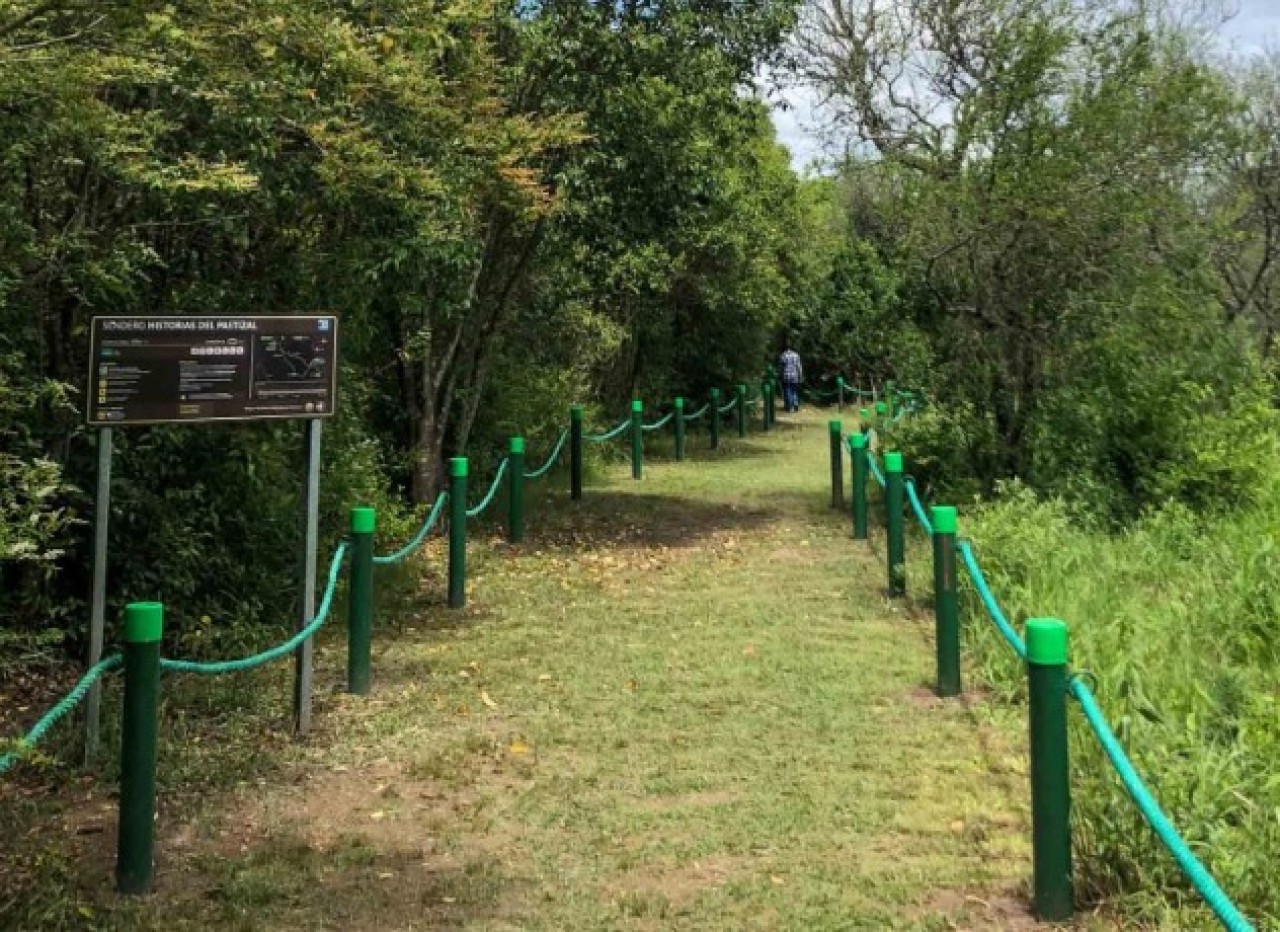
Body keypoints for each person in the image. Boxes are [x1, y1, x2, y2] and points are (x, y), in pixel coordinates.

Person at [778, 344, 803, 413]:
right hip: (795, 376)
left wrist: (780, 375)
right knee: (794, 390)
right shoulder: (796, 355)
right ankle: (795, 404)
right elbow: (799, 367)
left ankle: (790, 406)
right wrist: (800, 376)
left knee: (788, 391)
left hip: (786, 376)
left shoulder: (783, 355)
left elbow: (781, 368)